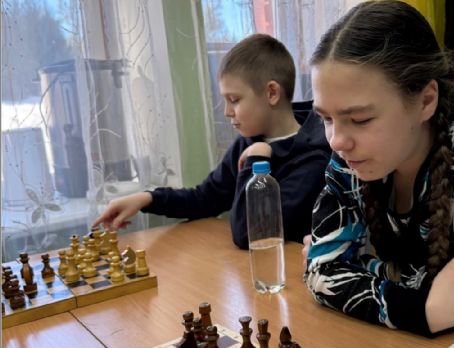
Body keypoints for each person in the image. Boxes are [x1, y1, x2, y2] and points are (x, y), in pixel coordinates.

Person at [304, 0, 454, 336]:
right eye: (326, 118)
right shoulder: (350, 149)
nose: (336, 140)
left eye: (360, 119)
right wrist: (422, 308)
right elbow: (322, 274)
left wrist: (360, 264)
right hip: (405, 340)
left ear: (426, 100)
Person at [93, 34, 330, 249]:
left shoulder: (313, 157)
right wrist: (148, 198)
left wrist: (258, 157)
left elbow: (250, 234)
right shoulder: (249, 142)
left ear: (271, 93)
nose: (227, 112)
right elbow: (206, 198)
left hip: (287, 275)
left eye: (234, 100)